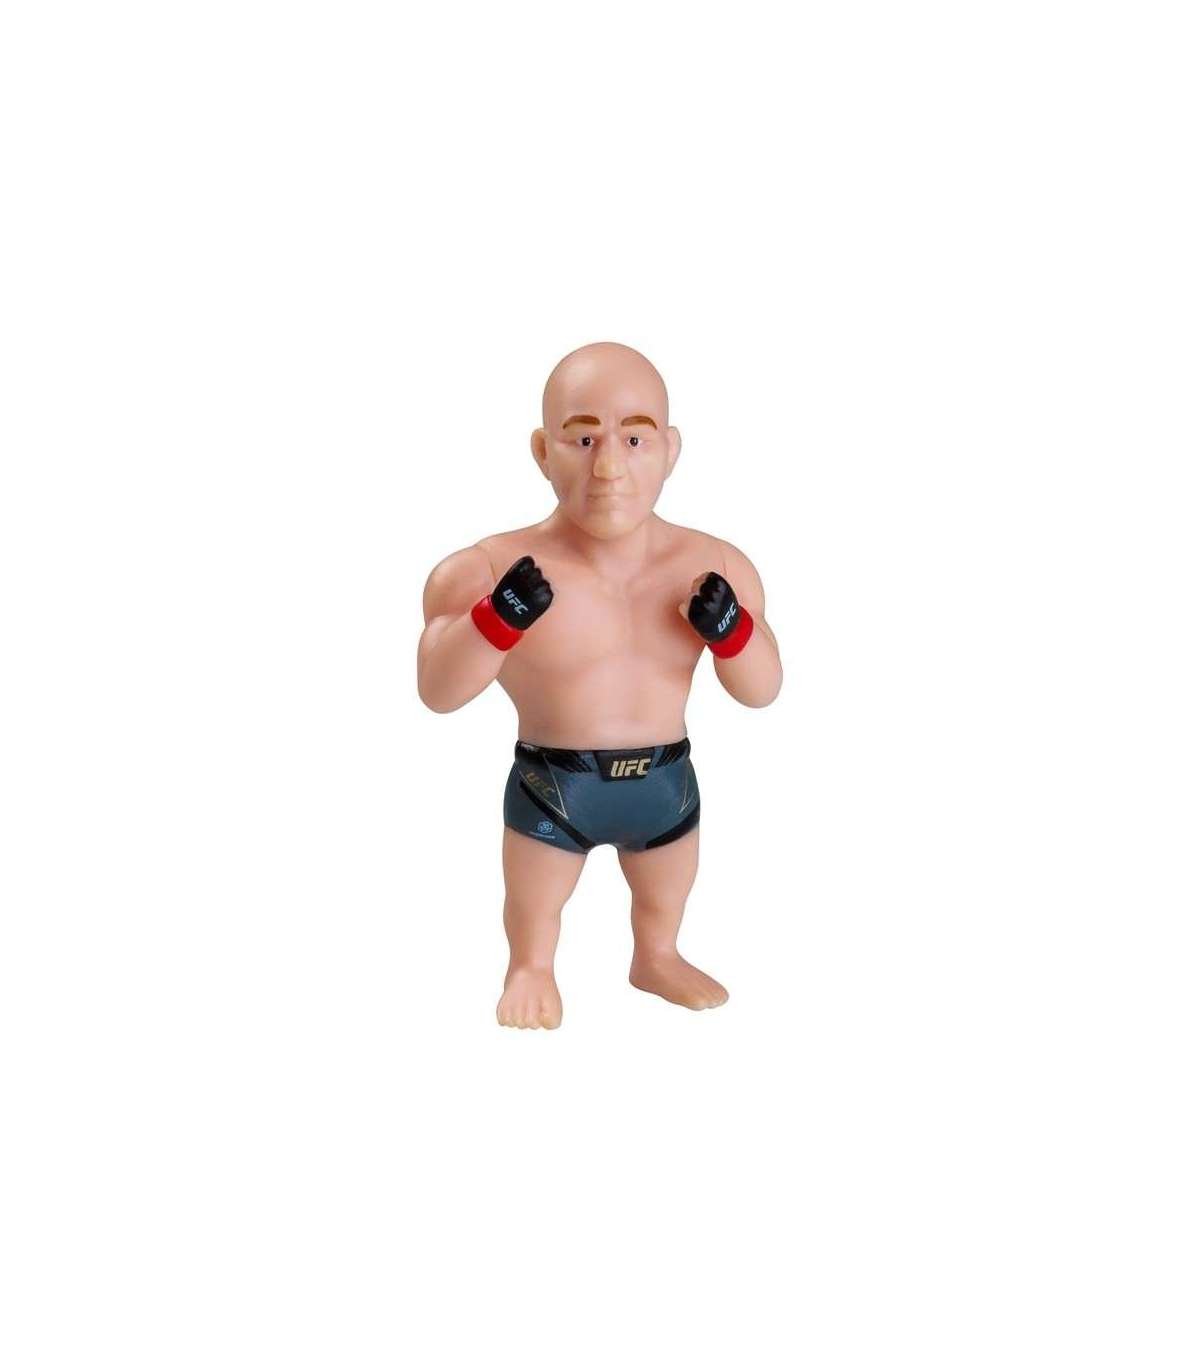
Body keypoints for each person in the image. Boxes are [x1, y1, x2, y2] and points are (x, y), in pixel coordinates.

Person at [418, 343, 783, 1028]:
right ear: (543, 451)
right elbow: (438, 690)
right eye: (583, 439)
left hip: (666, 786)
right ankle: (530, 967)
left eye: (634, 439)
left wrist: (730, 629)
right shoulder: (487, 569)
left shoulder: (715, 564)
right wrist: (497, 618)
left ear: (670, 450)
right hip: (555, 788)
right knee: (537, 908)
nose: (609, 467)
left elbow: (762, 689)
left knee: (664, 899)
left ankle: (657, 956)